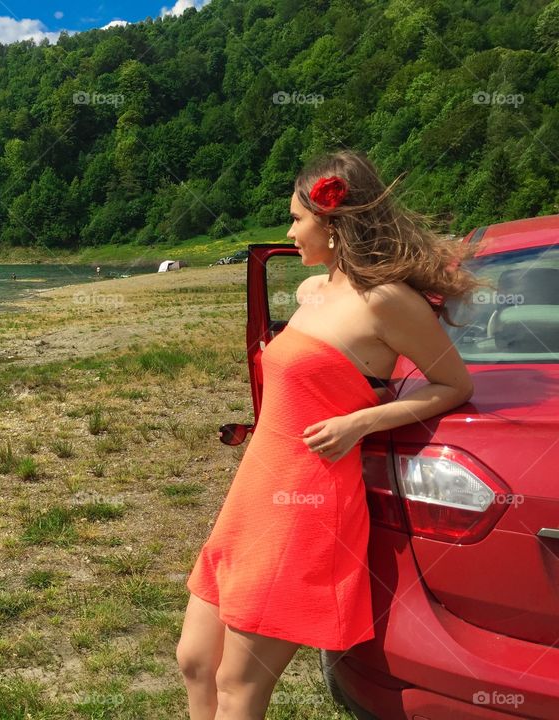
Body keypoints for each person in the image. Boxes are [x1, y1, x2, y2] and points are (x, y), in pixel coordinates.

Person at [176, 149, 486, 720]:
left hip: (306, 503)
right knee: (195, 660)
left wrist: (360, 421)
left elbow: (452, 384)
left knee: (238, 683)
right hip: (253, 495)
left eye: (296, 219)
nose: (289, 232)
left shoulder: (388, 301)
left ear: (333, 222)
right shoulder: (311, 293)